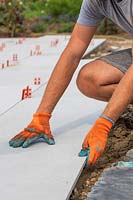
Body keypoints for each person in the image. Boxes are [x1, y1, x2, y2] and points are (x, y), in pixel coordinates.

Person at [9, 0, 133, 166]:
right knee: (89, 79)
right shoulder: (95, 2)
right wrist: (41, 117)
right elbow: (72, 52)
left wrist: (104, 123)